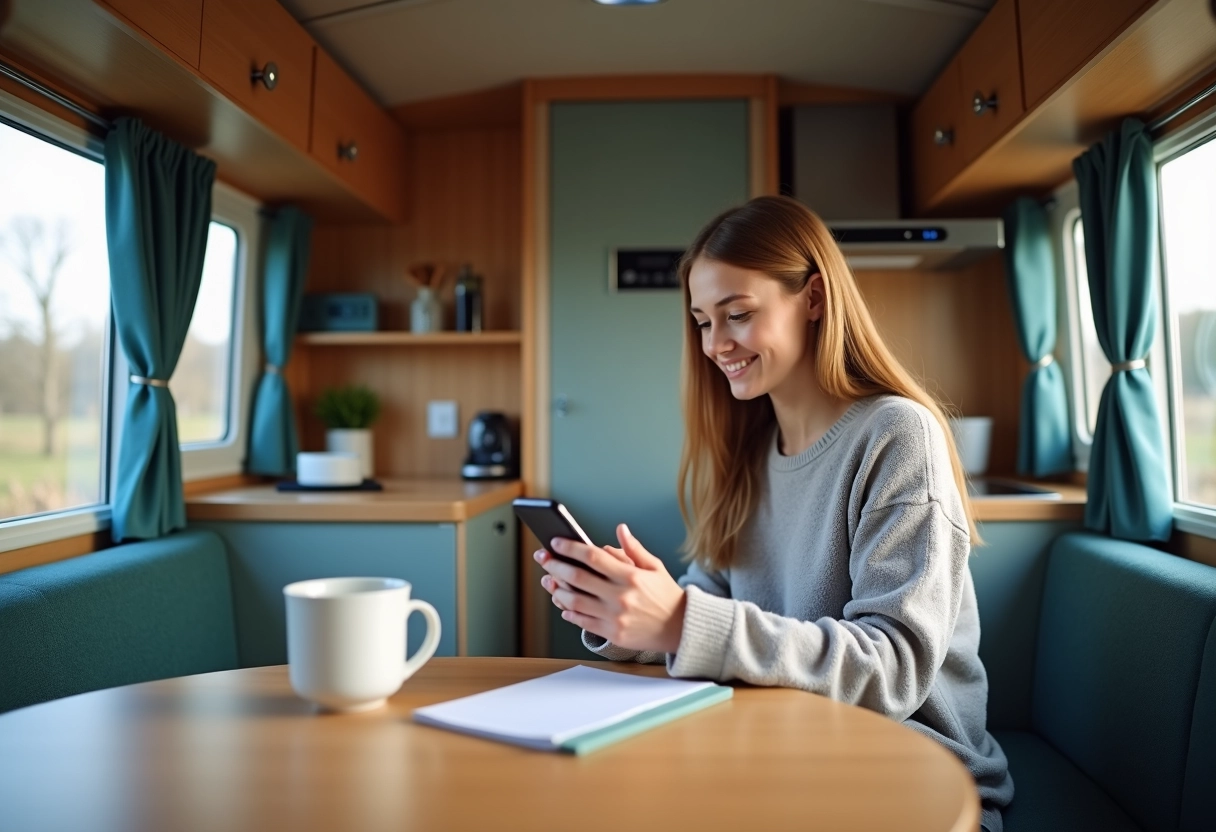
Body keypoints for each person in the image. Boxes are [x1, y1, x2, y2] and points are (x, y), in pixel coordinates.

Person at [533, 195, 1013, 831]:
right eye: (703, 321)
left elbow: (894, 668)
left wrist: (680, 622)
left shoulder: (897, 435)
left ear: (813, 298)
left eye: (737, 315)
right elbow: (713, 605)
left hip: (911, 777)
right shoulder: (749, 451)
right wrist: (632, 615)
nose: (715, 344)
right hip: (787, 753)